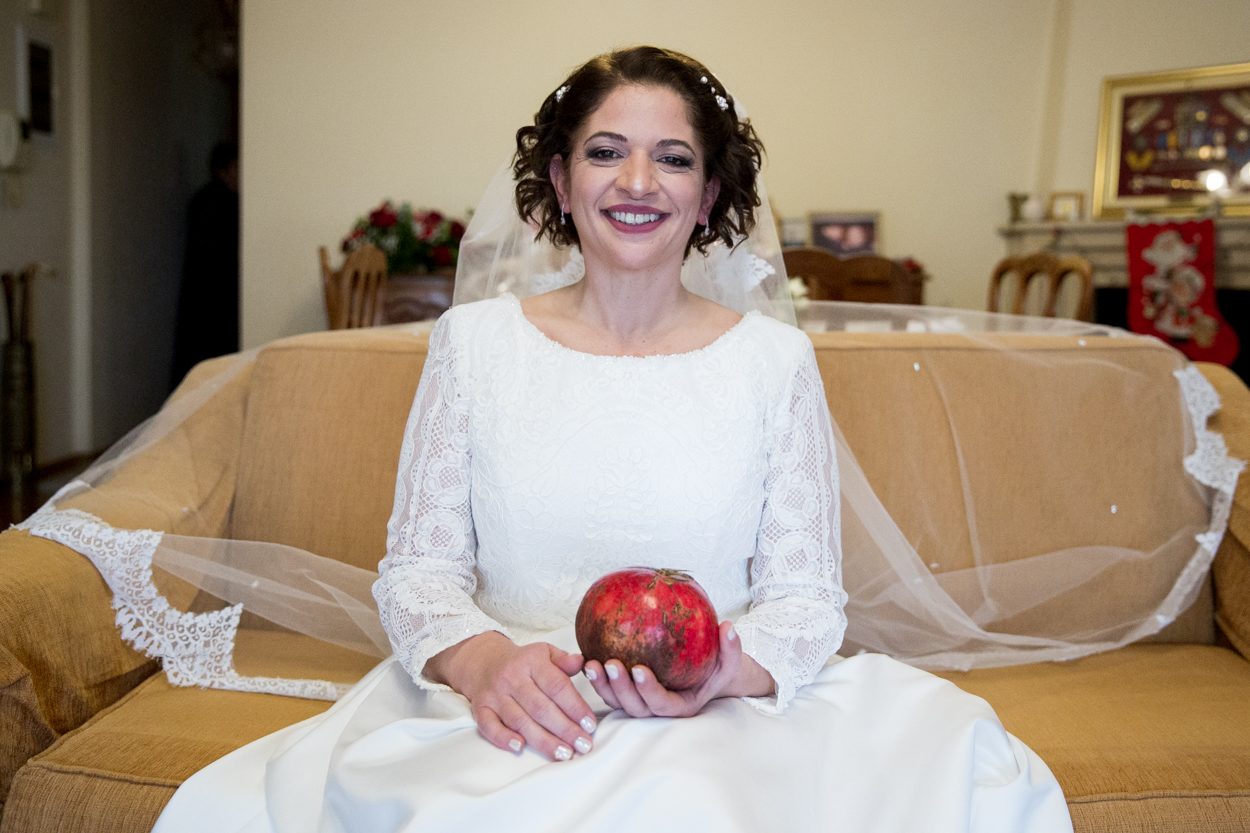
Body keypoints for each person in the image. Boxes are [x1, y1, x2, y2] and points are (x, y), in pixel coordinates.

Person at [154, 47, 1072, 832]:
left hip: (713, 713)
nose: (638, 182)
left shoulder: (775, 361)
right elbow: (417, 574)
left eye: (673, 159)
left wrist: (720, 674)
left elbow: (805, 602)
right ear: (560, 183)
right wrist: (485, 663)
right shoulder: (473, 345)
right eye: (605, 152)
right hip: (511, 703)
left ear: (709, 195)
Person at [171, 141, 240, 390]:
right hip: (210, 303)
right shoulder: (213, 204)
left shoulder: (212, 201)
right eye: (237, 168)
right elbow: (216, 255)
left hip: (210, 302)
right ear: (223, 171)